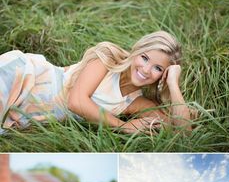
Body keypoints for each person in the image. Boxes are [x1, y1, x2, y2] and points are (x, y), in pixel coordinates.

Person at [0, 32, 192, 137]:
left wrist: (173, 84)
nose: (146, 69)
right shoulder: (109, 58)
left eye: (158, 68)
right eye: (144, 57)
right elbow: (76, 102)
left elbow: (184, 134)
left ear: (163, 75)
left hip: (30, 112)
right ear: (136, 52)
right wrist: (123, 126)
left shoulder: (134, 102)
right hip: (27, 77)